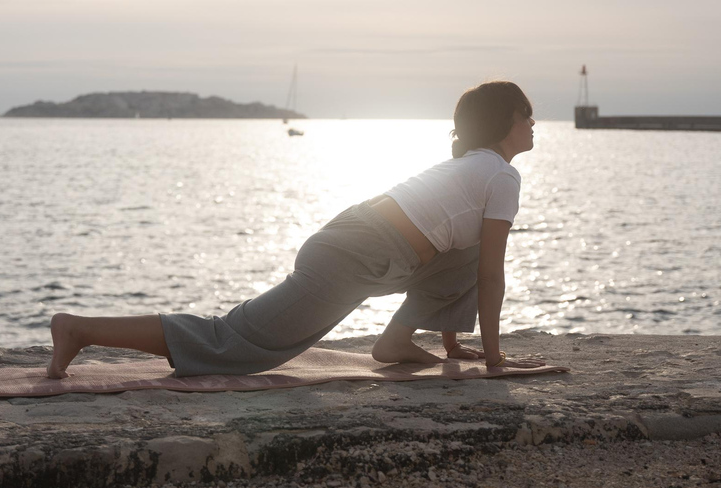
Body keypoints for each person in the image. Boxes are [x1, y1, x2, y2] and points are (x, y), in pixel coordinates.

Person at [46, 81, 546, 379]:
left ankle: (395, 341)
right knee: (232, 343)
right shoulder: (500, 174)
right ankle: (81, 328)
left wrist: (455, 345)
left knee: (467, 247)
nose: (533, 123)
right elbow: (492, 274)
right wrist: (496, 361)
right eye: (526, 115)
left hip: (370, 245)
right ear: (505, 121)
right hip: (356, 254)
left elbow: (468, 263)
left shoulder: (475, 168)